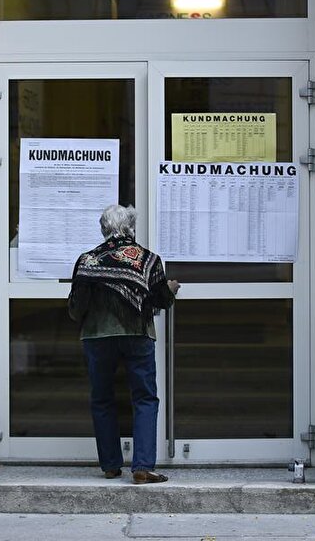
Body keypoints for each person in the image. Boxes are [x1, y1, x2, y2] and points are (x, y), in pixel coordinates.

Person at [68, 204, 180, 484]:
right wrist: (170, 289)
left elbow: (75, 308)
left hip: (97, 337)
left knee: (102, 398)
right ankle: (142, 467)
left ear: (104, 229)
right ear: (130, 228)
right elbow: (158, 301)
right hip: (137, 335)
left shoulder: (88, 260)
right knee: (144, 398)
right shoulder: (149, 259)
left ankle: (110, 465)